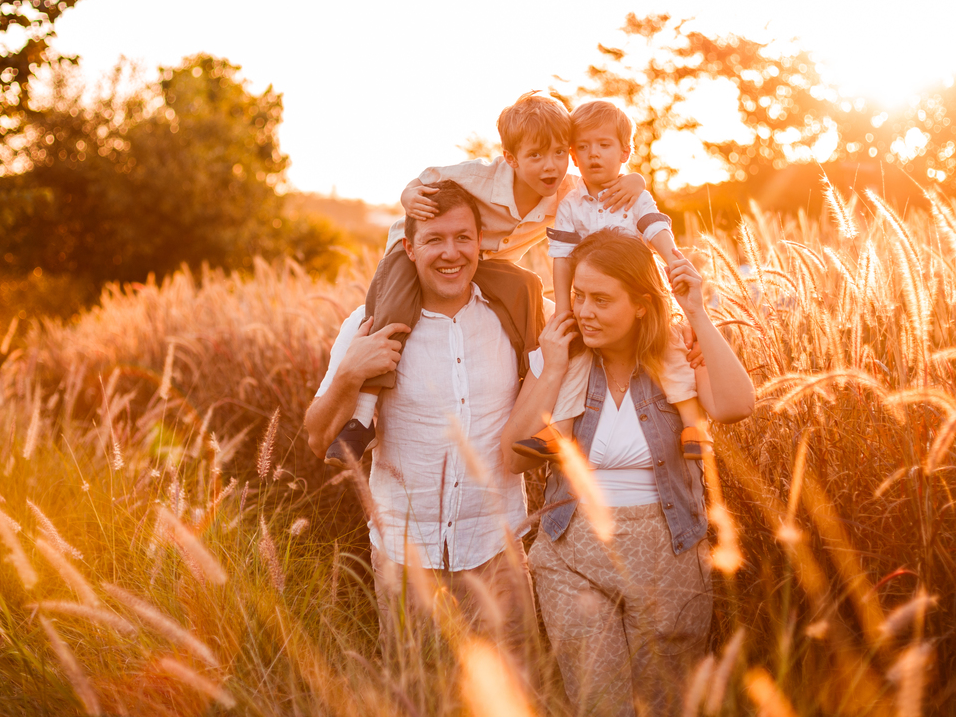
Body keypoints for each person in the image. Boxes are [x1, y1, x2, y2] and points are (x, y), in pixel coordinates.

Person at [500, 229, 755, 716]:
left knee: (664, 705)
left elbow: (737, 405)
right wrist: (552, 368)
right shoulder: (562, 357)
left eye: (601, 299)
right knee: (601, 704)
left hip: (670, 557)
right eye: (578, 296)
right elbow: (514, 457)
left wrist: (697, 311)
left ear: (641, 304)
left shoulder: (677, 354)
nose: (585, 311)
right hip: (572, 555)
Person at [328, 92, 647, 462]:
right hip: (422, 252)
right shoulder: (479, 176)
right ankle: (363, 418)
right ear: (510, 158)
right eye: (536, 156)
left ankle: (533, 383)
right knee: (395, 305)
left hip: (481, 265)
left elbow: (611, 188)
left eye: (560, 152)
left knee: (527, 285)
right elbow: (422, 180)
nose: (551, 166)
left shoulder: (569, 192)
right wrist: (408, 196)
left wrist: (636, 180)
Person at [304, 181, 544, 661]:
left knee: (520, 697)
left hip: (498, 554)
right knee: (420, 697)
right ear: (408, 249)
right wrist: (351, 372)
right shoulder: (366, 324)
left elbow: (597, 325)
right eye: (435, 239)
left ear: (481, 243)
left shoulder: (514, 316)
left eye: (462, 237)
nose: (451, 253)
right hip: (405, 560)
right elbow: (316, 438)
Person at [514, 100, 707, 463]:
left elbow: (654, 226)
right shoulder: (570, 204)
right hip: (593, 302)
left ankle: (693, 425)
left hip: (641, 295)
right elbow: (561, 255)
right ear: (573, 155)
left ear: (625, 151)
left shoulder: (634, 194)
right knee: (576, 359)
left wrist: (674, 260)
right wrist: (566, 308)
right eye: (582, 148)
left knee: (668, 351)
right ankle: (562, 431)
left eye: (603, 145)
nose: (593, 155)